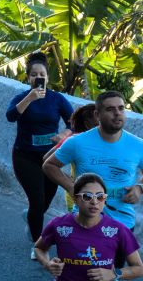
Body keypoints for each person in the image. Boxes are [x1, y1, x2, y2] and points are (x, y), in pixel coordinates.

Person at [43, 90, 143, 267]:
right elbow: (49, 165)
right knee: (80, 272)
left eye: (121, 108)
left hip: (122, 223)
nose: (117, 113)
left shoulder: (138, 145)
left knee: (112, 273)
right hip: (83, 222)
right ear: (97, 114)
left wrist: (139, 188)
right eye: (110, 109)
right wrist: (71, 186)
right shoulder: (77, 142)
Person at [6, 52, 73, 260]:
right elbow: (11, 116)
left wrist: (63, 134)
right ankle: (38, 245)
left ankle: (30, 218)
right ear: (28, 78)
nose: (38, 77)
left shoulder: (57, 99)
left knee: (44, 202)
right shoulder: (21, 97)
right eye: (34, 74)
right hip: (25, 156)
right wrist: (30, 97)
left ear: (47, 76)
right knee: (37, 200)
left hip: (51, 158)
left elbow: (73, 121)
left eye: (41, 74)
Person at [35, 173, 143, 280]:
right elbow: (39, 248)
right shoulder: (58, 225)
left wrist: (114, 273)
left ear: (105, 200)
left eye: (100, 197)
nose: (94, 202)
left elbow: (139, 268)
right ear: (75, 199)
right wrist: (48, 264)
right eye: (87, 196)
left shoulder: (118, 229)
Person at [43, 103, 98, 212]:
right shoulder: (74, 139)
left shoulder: (107, 140)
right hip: (78, 198)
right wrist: (70, 183)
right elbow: (47, 159)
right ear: (87, 124)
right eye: (99, 120)